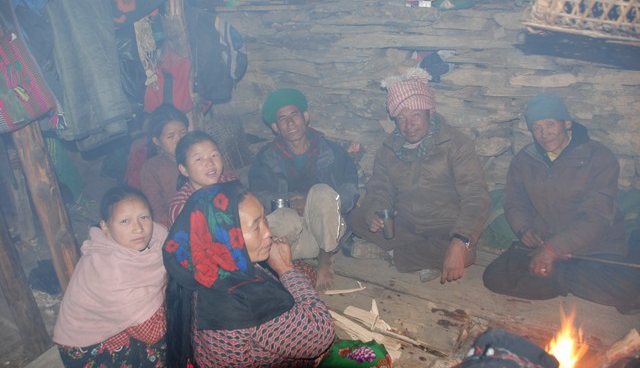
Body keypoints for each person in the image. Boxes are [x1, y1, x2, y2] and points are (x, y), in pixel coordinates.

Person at [163, 181, 335, 368]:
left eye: (265, 219)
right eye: (256, 226)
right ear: (226, 236)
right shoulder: (247, 300)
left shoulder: (205, 270)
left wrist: (293, 271)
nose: (268, 232)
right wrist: (286, 270)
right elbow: (321, 333)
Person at [483, 96, 640, 312]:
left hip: (595, 248)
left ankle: (556, 276)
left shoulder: (598, 157)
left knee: (630, 289)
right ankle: (568, 278)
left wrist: (555, 248)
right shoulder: (525, 159)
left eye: (550, 124)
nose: (544, 133)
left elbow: (597, 216)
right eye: (537, 127)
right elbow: (514, 199)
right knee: (495, 277)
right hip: (543, 242)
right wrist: (524, 228)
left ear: (566, 123)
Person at [348, 70, 490, 284]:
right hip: (405, 224)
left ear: (429, 112)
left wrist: (460, 241)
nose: (408, 125)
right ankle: (419, 257)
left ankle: (391, 253)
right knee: (355, 218)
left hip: (445, 228)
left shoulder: (456, 145)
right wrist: (375, 212)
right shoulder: (389, 149)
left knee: (466, 255)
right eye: (401, 118)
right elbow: (379, 188)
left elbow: (475, 197)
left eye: (415, 115)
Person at [53, 186, 168, 368]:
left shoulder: (157, 239)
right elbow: (153, 332)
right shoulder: (109, 269)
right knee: (181, 338)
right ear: (105, 227)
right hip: (88, 354)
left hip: (112, 331)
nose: (138, 228)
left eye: (144, 217)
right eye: (125, 221)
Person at [248, 88, 359, 290]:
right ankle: (282, 260)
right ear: (275, 127)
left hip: (328, 234)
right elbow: (257, 196)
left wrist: (318, 203)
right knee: (282, 218)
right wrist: (289, 202)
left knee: (322, 192)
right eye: (282, 119)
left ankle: (325, 259)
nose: (290, 123)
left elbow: (351, 189)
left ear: (305, 117)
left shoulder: (332, 152)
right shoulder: (266, 158)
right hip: (293, 238)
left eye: (294, 115)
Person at [168, 131, 237, 226]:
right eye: (199, 159)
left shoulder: (232, 183)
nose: (210, 163)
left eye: (214, 155)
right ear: (184, 170)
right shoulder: (182, 208)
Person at [139, 104, 189, 227]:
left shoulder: (202, 154)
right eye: (170, 136)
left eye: (183, 133)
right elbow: (156, 212)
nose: (179, 140)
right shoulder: (152, 169)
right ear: (157, 141)